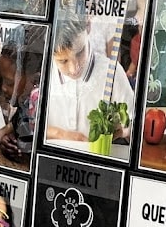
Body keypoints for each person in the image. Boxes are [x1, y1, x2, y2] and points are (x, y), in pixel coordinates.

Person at [45, 10, 134, 145]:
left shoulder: (113, 73)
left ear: (88, 26)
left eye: (80, 52)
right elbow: (29, 126)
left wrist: (124, 130)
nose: (74, 69)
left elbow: (134, 126)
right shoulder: (44, 73)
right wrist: (60, 134)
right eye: (63, 61)